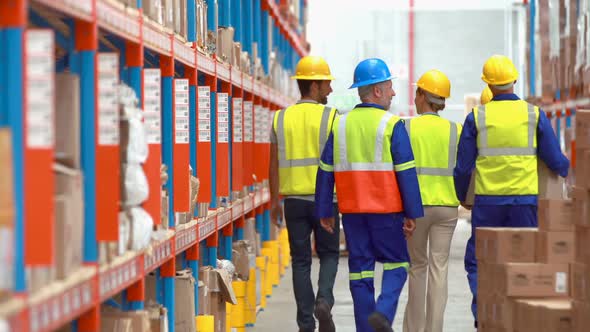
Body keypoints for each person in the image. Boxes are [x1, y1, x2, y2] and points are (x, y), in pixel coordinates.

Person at [453, 55, 570, 327]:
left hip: (488, 205)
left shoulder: (477, 117)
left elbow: (462, 167)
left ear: (489, 86)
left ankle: (486, 316)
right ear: (514, 80)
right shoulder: (533, 114)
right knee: (524, 261)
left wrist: (463, 196)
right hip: (524, 203)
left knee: (481, 262)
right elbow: (555, 160)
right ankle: (523, 318)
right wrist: (570, 173)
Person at [315, 58, 424, 332]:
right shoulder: (391, 124)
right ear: (377, 91)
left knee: (361, 272)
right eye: (389, 87)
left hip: (352, 213)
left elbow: (325, 171)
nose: (393, 93)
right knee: (397, 263)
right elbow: (406, 173)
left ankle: (366, 328)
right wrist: (412, 213)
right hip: (386, 211)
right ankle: (384, 313)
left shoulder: (340, 124)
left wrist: (324, 210)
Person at [269, 55, 340, 332]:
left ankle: (305, 324)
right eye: (327, 85)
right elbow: (340, 162)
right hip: (326, 202)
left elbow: (272, 165)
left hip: (293, 202)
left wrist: (275, 201)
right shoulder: (332, 117)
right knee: (329, 255)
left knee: (300, 261)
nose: (330, 90)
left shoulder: (280, 118)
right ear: (314, 86)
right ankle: (324, 299)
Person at [402, 70, 461, 332]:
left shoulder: (406, 127)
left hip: (415, 209)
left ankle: (413, 329)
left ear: (423, 96)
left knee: (417, 267)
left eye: (417, 92)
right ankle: (434, 329)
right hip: (447, 207)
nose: (415, 97)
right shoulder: (455, 130)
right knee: (439, 266)